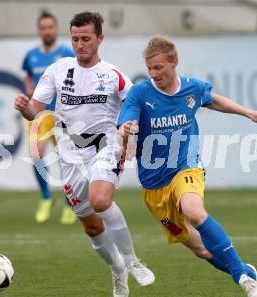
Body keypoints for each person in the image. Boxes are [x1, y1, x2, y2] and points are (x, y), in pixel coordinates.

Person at [117, 36, 257, 297]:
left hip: (186, 168)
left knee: (194, 212)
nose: (153, 74)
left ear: (173, 62)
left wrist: (249, 113)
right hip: (154, 188)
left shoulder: (191, 89)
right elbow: (126, 125)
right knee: (201, 250)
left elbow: (213, 99)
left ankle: (244, 279)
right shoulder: (140, 93)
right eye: (150, 69)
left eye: (158, 67)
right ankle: (244, 270)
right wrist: (126, 131)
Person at [15, 12, 155, 297]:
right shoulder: (57, 70)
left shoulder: (113, 76)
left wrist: (130, 135)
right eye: (75, 38)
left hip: (105, 146)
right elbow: (37, 109)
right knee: (91, 227)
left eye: (86, 39)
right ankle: (117, 269)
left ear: (100, 39)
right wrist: (26, 107)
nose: (80, 44)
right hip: (69, 153)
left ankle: (132, 261)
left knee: (100, 200)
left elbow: (135, 106)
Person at [22, 11, 76, 224]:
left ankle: (70, 201)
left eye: (50, 27)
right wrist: (29, 92)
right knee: (36, 155)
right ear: (39, 31)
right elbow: (27, 77)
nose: (47, 31)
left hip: (63, 115)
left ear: (56, 29)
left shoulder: (66, 53)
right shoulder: (31, 55)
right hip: (39, 116)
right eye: (43, 28)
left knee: (68, 160)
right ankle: (46, 197)